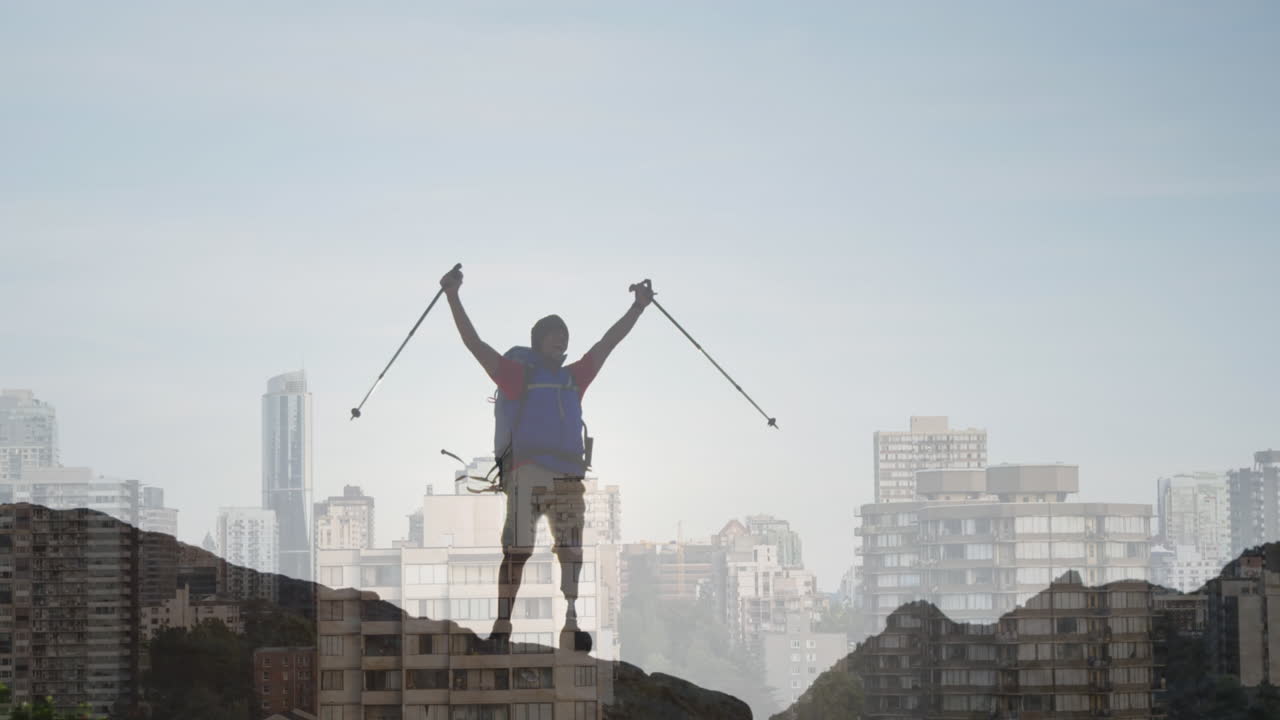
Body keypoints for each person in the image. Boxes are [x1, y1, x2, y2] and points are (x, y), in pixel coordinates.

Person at [439, 267, 653, 650]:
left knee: (570, 550)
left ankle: (571, 623)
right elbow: (475, 343)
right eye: (555, 336)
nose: (562, 341)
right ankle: (502, 627)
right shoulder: (516, 375)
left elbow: (609, 342)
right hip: (527, 471)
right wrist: (452, 296)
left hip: (568, 475)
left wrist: (637, 308)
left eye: (565, 337)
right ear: (538, 343)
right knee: (518, 550)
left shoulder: (575, 376)